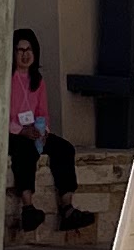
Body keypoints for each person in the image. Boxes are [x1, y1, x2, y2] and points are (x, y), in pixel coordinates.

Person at [7, 26, 83, 237]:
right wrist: (22, 131)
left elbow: (43, 112)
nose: (25, 54)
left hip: (33, 131)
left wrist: (43, 131)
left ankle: (67, 206)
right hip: (14, 133)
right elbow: (2, 114)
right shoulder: (7, 79)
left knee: (64, 148)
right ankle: (28, 206)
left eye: (28, 49)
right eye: (20, 50)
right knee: (24, 150)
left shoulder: (38, 81)